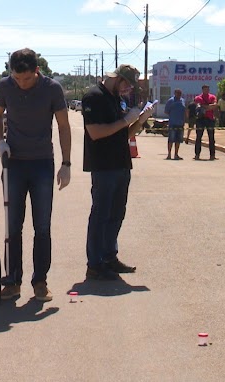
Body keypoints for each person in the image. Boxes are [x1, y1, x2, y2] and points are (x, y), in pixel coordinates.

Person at [0, 48, 72, 302]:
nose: (22, 84)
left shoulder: (52, 89)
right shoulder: (5, 86)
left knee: (42, 226)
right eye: (17, 78)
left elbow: (63, 126)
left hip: (41, 164)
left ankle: (40, 281)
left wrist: (66, 163)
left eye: (26, 78)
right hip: (13, 164)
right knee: (13, 226)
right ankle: (13, 281)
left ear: (36, 71)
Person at [82, 64, 152, 280]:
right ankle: (95, 263)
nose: (128, 90)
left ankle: (109, 257)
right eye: (127, 85)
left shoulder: (115, 98)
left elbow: (125, 133)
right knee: (101, 214)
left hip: (121, 163)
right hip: (104, 165)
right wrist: (125, 120)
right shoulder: (94, 97)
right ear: (118, 78)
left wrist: (139, 121)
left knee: (116, 213)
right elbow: (94, 132)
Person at [194, 85, 218, 160]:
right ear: (202, 90)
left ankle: (212, 155)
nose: (206, 90)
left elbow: (214, 106)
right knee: (198, 137)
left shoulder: (212, 97)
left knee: (211, 138)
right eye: (205, 89)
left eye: (207, 89)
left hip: (210, 119)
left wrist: (204, 107)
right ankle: (197, 154)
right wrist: (208, 107)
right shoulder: (198, 97)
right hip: (200, 119)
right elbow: (198, 106)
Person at [164, 88, 186, 160]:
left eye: (180, 93)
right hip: (173, 123)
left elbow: (184, 111)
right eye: (177, 93)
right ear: (175, 93)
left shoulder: (182, 101)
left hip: (180, 123)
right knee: (171, 139)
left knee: (178, 140)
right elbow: (166, 111)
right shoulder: (171, 101)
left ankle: (176, 154)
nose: (179, 95)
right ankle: (169, 154)